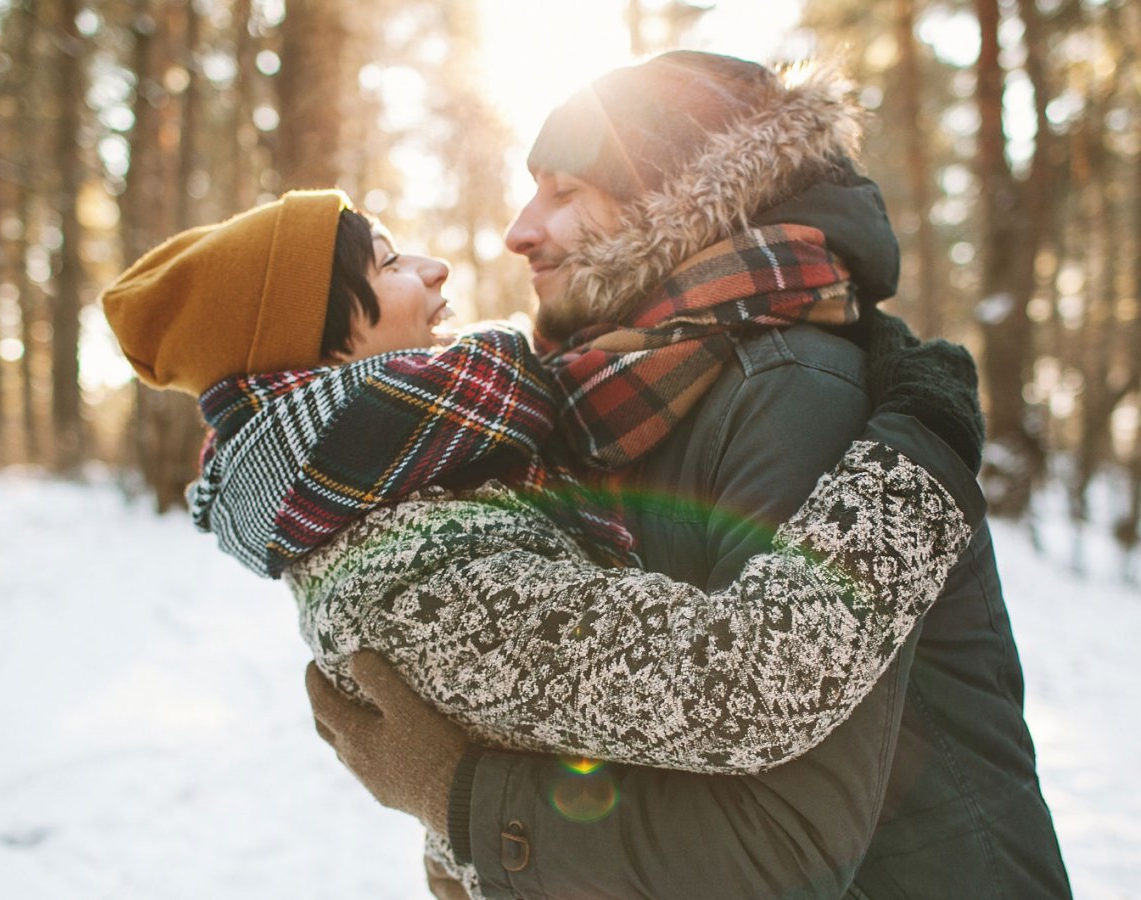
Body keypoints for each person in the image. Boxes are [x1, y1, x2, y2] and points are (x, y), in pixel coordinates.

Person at [307, 53, 1072, 898]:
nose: (519, 230)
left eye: (565, 192)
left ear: (676, 207)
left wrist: (465, 803)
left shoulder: (791, 387)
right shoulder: (607, 396)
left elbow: (784, 848)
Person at [102, 187, 984, 898]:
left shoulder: (402, 499)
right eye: (391, 261)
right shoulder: (413, 570)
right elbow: (752, 676)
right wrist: (927, 443)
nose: (437, 266)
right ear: (322, 344)